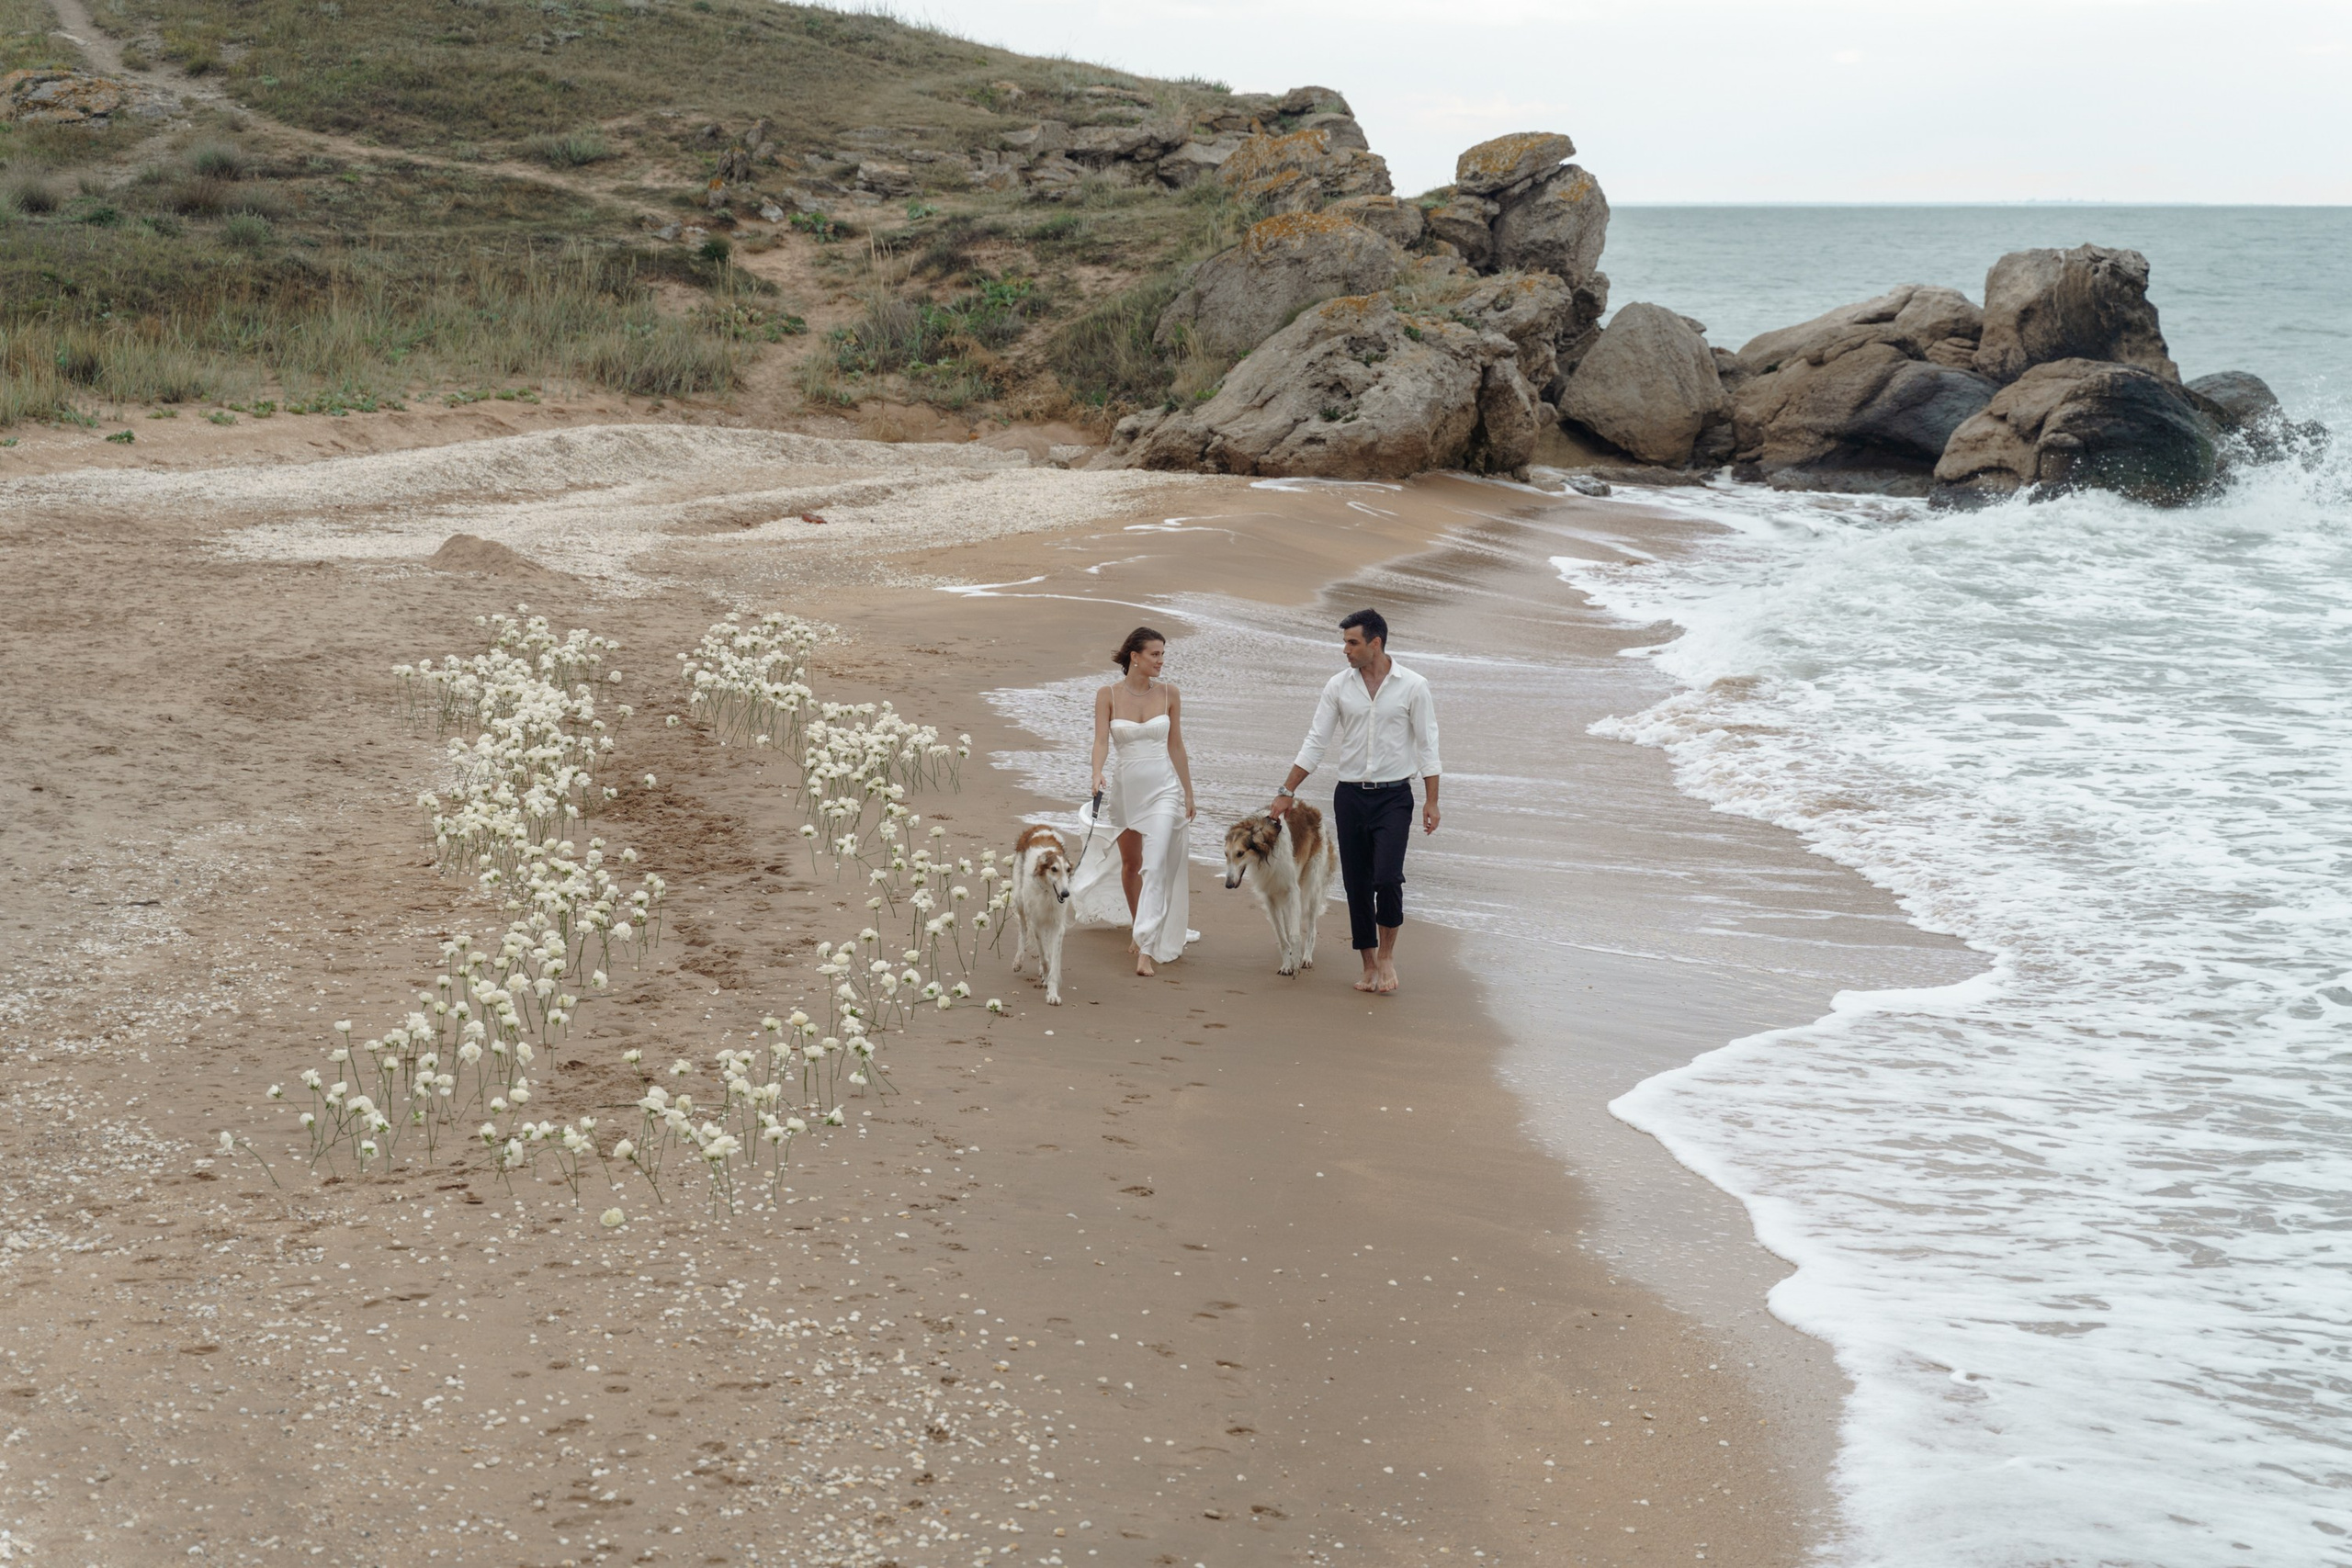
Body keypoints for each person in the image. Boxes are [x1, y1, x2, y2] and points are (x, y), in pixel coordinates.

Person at [1268, 608, 1441, 995]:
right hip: (1350, 796)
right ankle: (1368, 963)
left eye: (1352, 642)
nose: (1345, 650)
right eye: (1345, 642)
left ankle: (1387, 956)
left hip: (1395, 796)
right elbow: (1316, 741)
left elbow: (1428, 745)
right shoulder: (1338, 686)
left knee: (1387, 878)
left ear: (1375, 643)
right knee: (1357, 883)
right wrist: (1286, 791)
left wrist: (1432, 801)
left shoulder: (1414, 686)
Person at [1067, 626, 1199, 976]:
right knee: (1131, 864)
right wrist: (1096, 773)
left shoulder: (1169, 694)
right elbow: (1100, 742)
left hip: (1164, 790)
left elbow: (1176, 745)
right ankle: (1141, 926)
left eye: (1163, 654)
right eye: (1155, 654)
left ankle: (1146, 947)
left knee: (1153, 866)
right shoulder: (1107, 695)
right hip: (1127, 791)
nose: (1161, 660)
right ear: (1134, 657)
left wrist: (1188, 791)